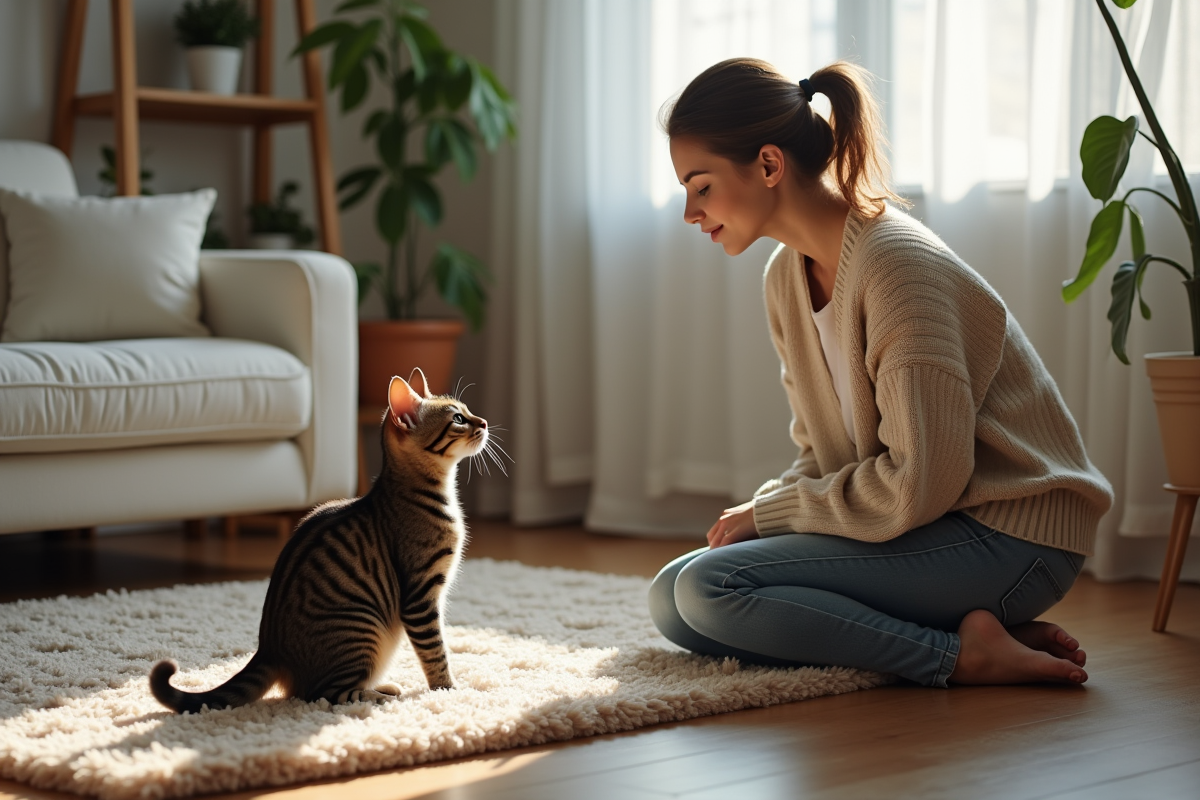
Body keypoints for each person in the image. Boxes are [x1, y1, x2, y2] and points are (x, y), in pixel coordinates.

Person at [648, 58, 1114, 687]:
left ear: (768, 165)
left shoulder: (898, 270)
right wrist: (766, 511)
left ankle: (956, 656)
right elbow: (821, 454)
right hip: (929, 524)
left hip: (1010, 538)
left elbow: (921, 483)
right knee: (673, 598)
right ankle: (969, 632)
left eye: (701, 187)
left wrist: (773, 514)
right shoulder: (785, 277)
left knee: (710, 588)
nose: (689, 212)